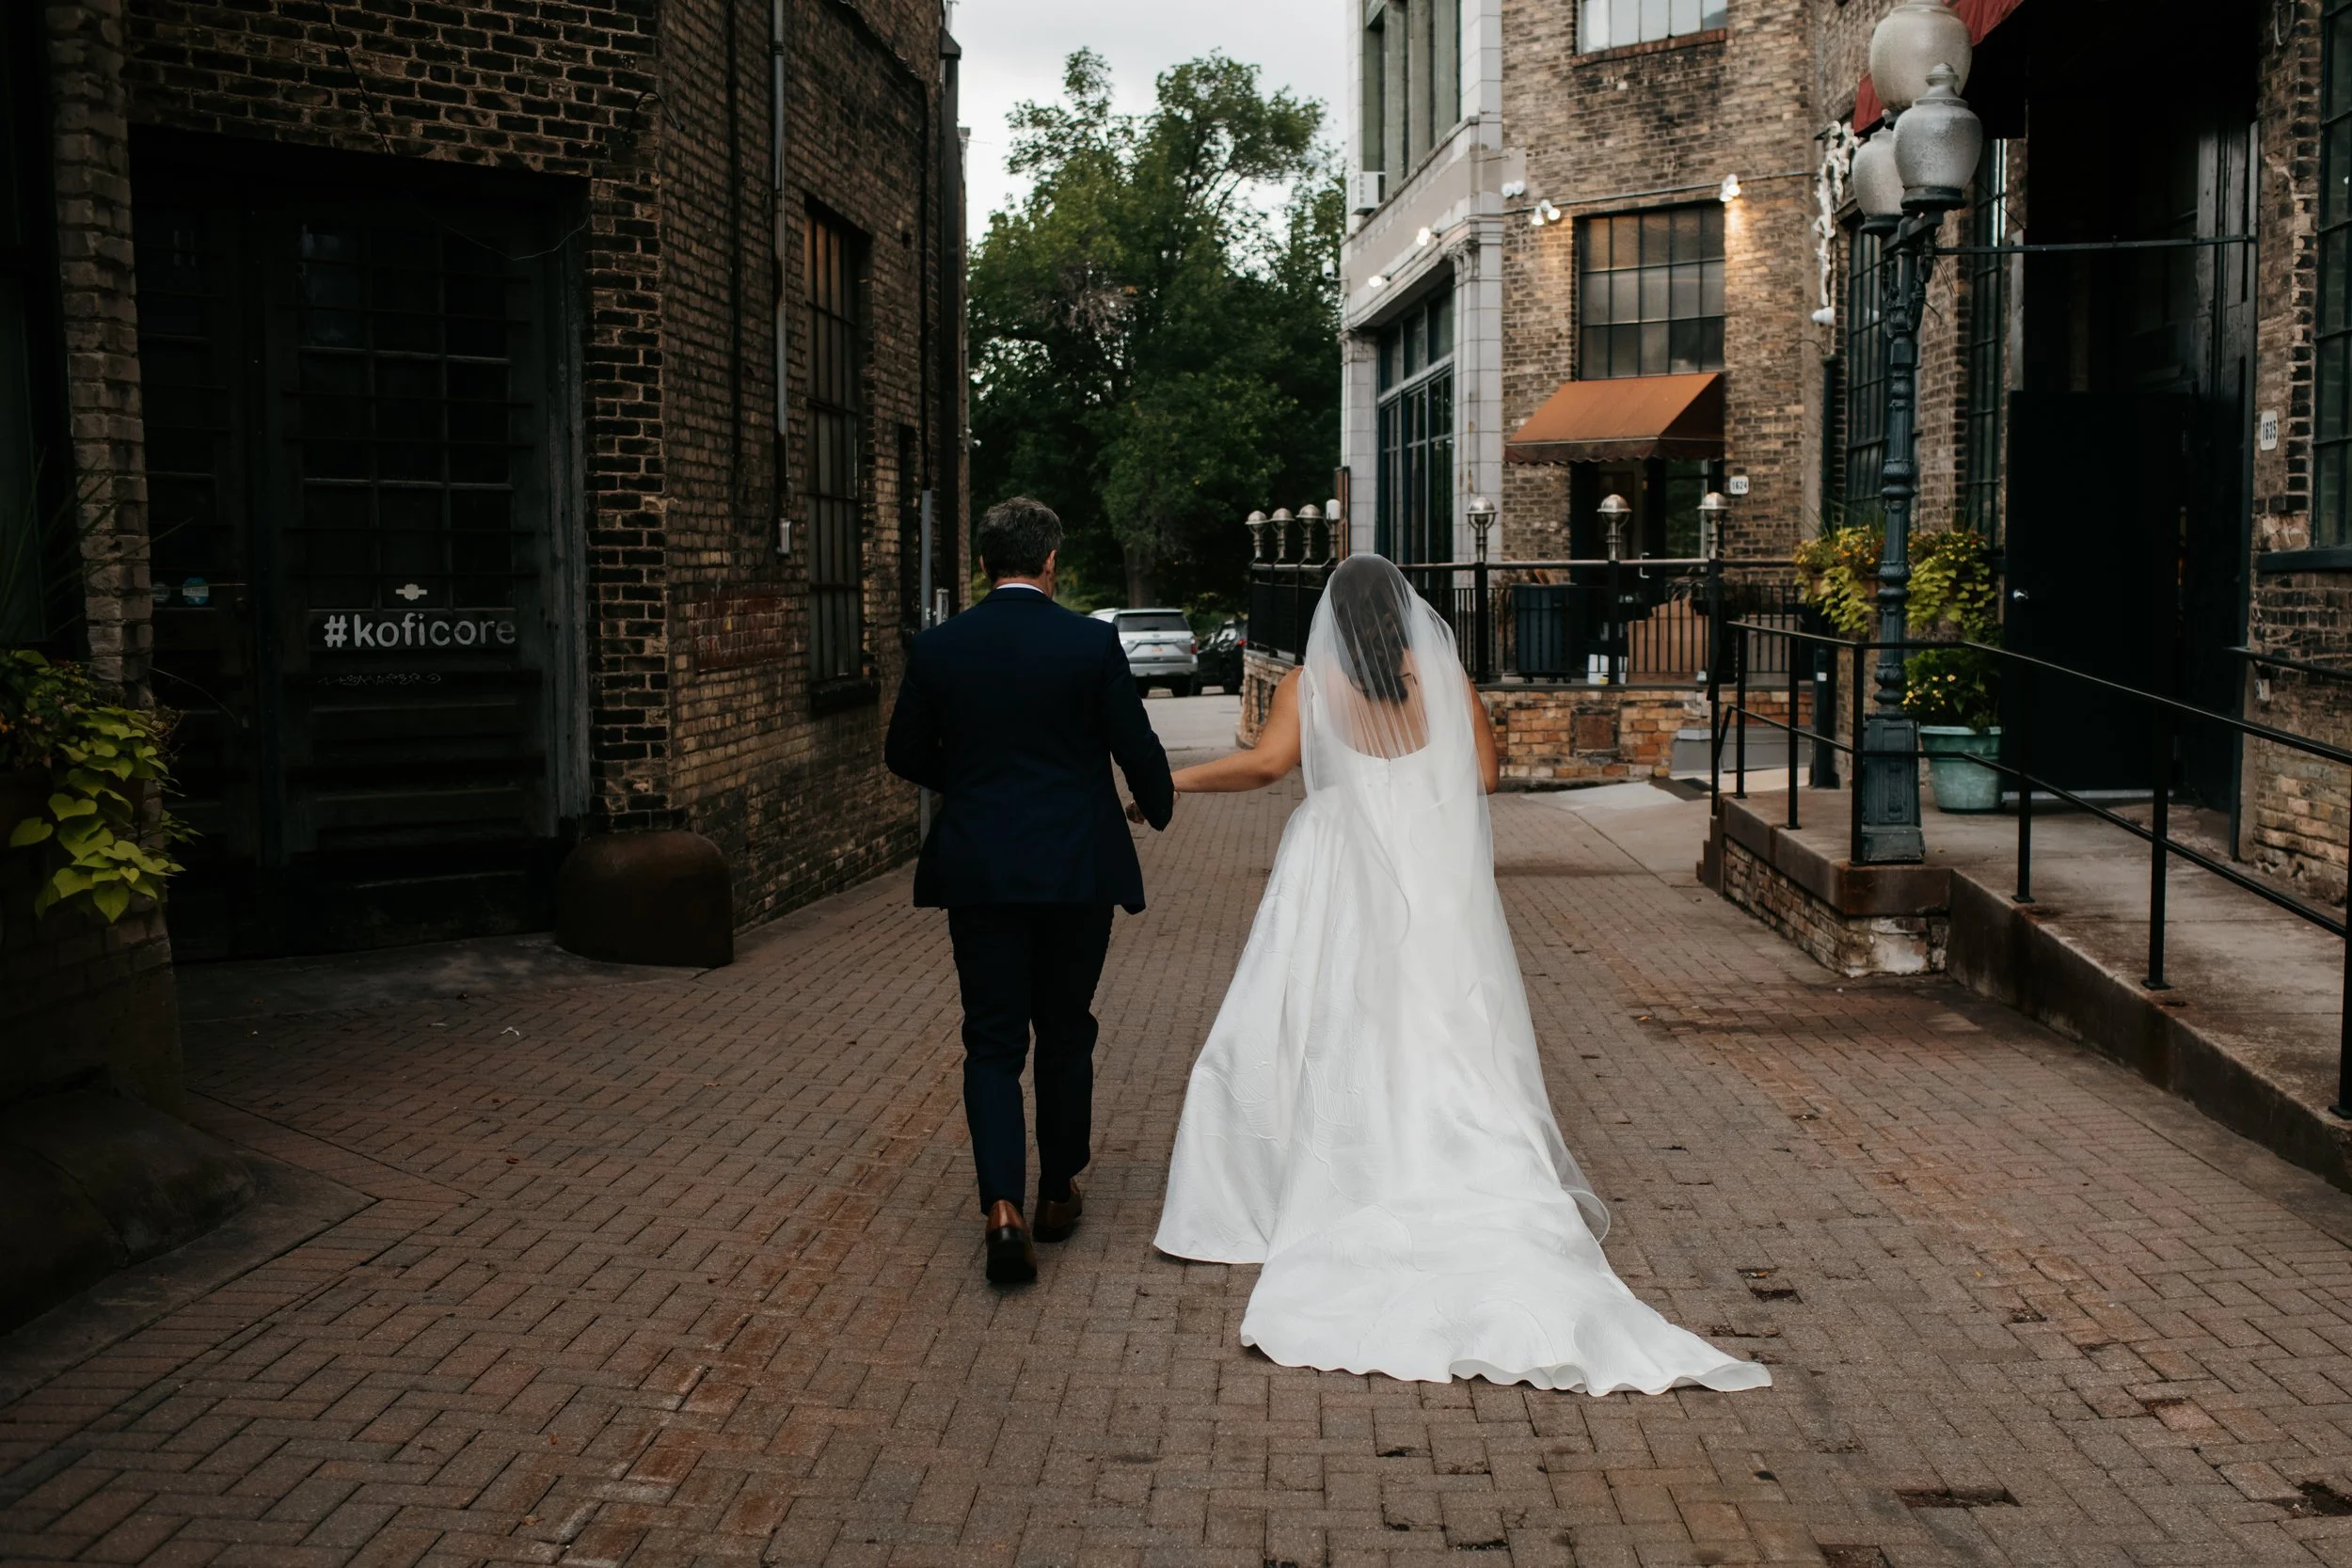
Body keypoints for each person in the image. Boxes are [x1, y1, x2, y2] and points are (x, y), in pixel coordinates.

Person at [1149, 554, 1770, 1394]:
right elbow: (1483, 774)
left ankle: (1301, 1173)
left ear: (1332, 617)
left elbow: (1265, 768)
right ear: (1406, 618)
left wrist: (1170, 781)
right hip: (1426, 859)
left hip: (1337, 859)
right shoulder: (1442, 678)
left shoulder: (1310, 681)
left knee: (1316, 1009)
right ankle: (1449, 1147)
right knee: (1437, 1013)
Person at [885, 497, 1175, 1285]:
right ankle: (1056, 1189)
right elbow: (1134, 743)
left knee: (991, 1037)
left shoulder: (942, 647)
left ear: (985, 563)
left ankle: (1000, 1207)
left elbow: (903, 748)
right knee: (1065, 1026)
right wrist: (1157, 803)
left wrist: (975, 783)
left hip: (980, 866)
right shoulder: (1089, 642)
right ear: (1050, 562)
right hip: (1076, 866)